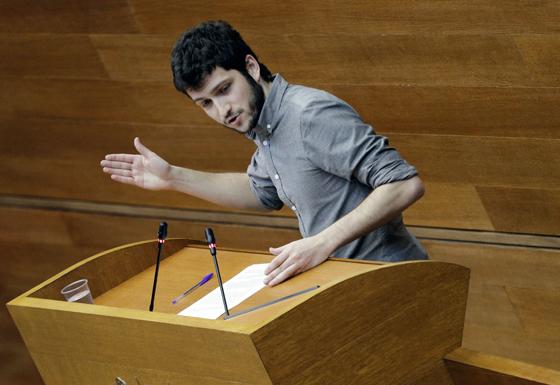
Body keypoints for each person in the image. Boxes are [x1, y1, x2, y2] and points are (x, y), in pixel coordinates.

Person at [100, 21, 428, 287]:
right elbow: (261, 193)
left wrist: (322, 242)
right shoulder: (265, 128)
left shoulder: (308, 114)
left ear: (251, 67)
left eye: (224, 90)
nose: (221, 110)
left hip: (396, 281)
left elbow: (404, 184)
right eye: (206, 104)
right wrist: (173, 177)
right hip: (349, 284)